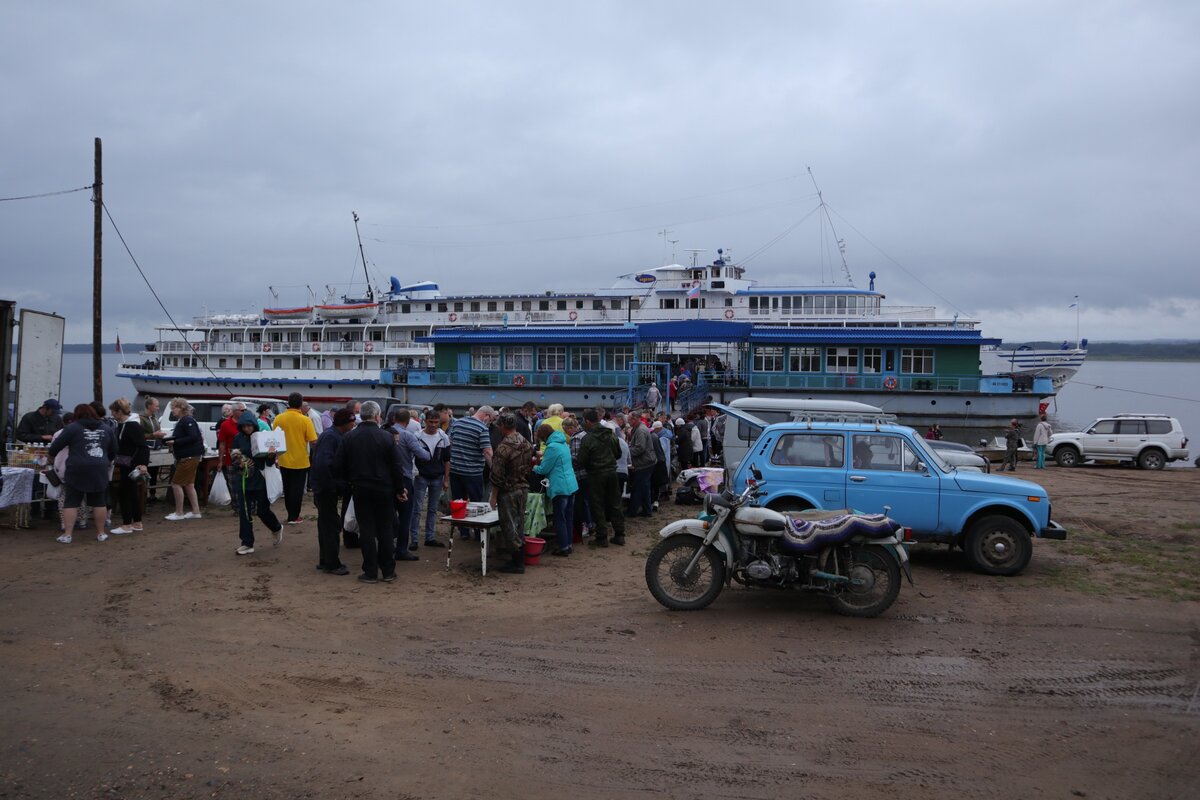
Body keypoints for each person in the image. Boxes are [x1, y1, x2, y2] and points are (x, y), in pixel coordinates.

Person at [332, 401, 407, 584]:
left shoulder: (349, 437)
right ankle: (388, 571)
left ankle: (370, 572)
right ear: (377, 416)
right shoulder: (387, 437)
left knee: (366, 531)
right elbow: (396, 466)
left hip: (360, 489)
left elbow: (337, 466)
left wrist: (346, 486)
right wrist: (399, 489)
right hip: (384, 489)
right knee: (385, 530)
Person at [47, 404, 115, 544]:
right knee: (98, 502)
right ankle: (101, 533)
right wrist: (105, 460)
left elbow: (55, 447)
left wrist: (51, 458)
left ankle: (67, 535)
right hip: (99, 467)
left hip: (76, 468)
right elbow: (114, 449)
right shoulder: (106, 428)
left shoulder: (72, 428)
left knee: (71, 502)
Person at [228, 411, 283, 555]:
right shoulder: (237, 438)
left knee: (262, 510)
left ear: (254, 425)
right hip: (244, 480)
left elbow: (269, 462)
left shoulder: (262, 437)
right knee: (244, 512)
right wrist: (239, 463)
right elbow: (234, 457)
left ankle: (276, 527)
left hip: (260, 479)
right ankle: (247, 543)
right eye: (244, 426)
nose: (247, 429)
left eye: (249, 426)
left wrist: (271, 455)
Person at [311, 407, 355, 574]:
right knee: (331, 525)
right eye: (351, 423)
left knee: (325, 524)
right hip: (325, 488)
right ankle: (332, 563)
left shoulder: (334, 435)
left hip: (324, 486)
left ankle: (325, 560)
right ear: (344, 423)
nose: (353, 426)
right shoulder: (331, 437)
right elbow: (324, 464)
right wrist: (334, 486)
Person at [489, 412, 534, 574]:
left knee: (508, 525)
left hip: (508, 491)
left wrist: (493, 496)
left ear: (502, 426)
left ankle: (517, 562)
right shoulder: (526, 443)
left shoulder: (503, 447)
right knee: (520, 523)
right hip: (523, 488)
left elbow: (497, 475)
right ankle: (519, 559)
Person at [384, 408, 429, 559]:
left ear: (394, 418)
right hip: (404, 478)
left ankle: (387, 546)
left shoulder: (384, 433)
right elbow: (423, 455)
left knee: (388, 514)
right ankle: (401, 550)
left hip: (386, 479)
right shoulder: (408, 436)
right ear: (408, 421)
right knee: (405, 515)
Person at [578, 408, 624, 548]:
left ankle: (602, 536)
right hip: (612, 472)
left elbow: (581, 460)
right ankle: (619, 535)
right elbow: (618, 453)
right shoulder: (611, 435)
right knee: (615, 503)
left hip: (596, 474)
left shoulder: (587, 438)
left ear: (587, 421)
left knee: (597, 505)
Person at [448, 406, 495, 541]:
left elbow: (450, 442)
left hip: (455, 470)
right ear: (486, 416)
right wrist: (493, 469)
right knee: (477, 502)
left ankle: (463, 531)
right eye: (490, 420)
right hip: (473, 472)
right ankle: (478, 531)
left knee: (459, 502)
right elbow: (487, 452)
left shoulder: (458, 423)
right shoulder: (482, 428)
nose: (490, 422)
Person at [272, 392, 319, 525]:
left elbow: (274, 437)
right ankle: (294, 516)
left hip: (283, 459)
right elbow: (313, 440)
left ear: (288, 403)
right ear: (300, 404)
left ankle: (290, 514)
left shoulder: (279, 418)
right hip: (300, 460)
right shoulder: (305, 420)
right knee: (297, 490)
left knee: (287, 489)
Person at [534, 423, 577, 557]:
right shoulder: (563, 443)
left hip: (560, 486)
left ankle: (563, 547)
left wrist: (534, 466)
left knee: (560, 518)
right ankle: (568, 544)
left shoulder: (552, 447)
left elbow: (544, 469)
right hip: (571, 484)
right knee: (569, 517)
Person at [109, 397, 149, 535]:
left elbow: (143, 446)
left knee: (124, 493)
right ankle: (137, 522)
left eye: (114, 412)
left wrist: (142, 464)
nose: (112, 415)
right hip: (128, 463)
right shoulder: (125, 424)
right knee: (131, 493)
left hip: (131, 464)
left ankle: (127, 524)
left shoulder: (132, 426)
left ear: (119, 412)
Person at [411, 410, 451, 549]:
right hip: (422, 476)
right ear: (425, 421)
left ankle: (430, 537)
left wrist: (446, 479)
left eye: (436, 422)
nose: (433, 425)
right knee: (417, 508)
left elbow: (447, 460)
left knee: (432, 509)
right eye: (431, 422)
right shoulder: (417, 436)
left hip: (437, 477)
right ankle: (414, 539)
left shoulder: (443, 437)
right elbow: (412, 457)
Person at [165, 397, 204, 521]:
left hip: (188, 456)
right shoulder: (184, 420)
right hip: (191, 456)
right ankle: (196, 511)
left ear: (181, 408)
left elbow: (193, 437)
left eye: (174, 408)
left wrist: (174, 442)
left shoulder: (187, 420)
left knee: (176, 484)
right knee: (189, 484)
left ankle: (179, 512)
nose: (172, 411)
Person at [564, 417, 593, 540]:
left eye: (566, 430)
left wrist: (565, 457)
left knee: (581, 502)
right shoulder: (586, 434)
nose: (566, 433)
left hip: (580, 474)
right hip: (589, 472)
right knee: (587, 500)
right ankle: (590, 524)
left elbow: (575, 458)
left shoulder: (576, 438)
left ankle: (585, 526)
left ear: (571, 428)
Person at [626, 414, 657, 517]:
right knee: (644, 487)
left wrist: (626, 451)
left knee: (638, 488)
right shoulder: (640, 429)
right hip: (647, 462)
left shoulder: (640, 431)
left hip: (644, 463)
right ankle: (647, 510)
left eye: (629, 420)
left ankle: (633, 511)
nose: (628, 422)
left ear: (634, 419)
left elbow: (640, 448)